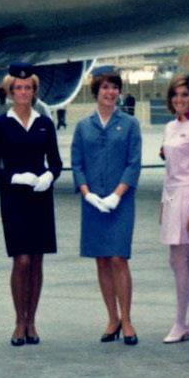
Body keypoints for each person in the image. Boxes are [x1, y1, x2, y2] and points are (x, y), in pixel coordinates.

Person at [0, 62, 62, 346]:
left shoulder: (44, 123)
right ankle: (19, 321)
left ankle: (32, 321)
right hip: (14, 197)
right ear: (10, 91)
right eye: (18, 88)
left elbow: (56, 162)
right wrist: (14, 178)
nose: (24, 92)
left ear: (34, 91)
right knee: (22, 260)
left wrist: (49, 176)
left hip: (40, 197)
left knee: (37, 260)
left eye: (28, 87)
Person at [72, 65, 143, 344]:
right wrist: (87, 193)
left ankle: (127, 319)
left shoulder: (130, 124)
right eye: (105, 87)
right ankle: (112, 318)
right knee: (101, 259)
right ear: (96, 91)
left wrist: (117, 194)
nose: (110, 92)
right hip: (93, 202)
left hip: (120, 202)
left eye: (114, 87)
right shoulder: (83, 126)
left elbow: (133, 163)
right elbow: (77, 164)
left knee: (118, 258)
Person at [158, 74, 189, 343]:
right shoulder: (170, 127)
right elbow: (168, 170)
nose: (179, 100)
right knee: (186, 261)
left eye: (185, 95)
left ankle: (180, 322)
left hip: (188, 197)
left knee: (178, 261)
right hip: (171, 196)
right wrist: (162, 204)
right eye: (175, 95)